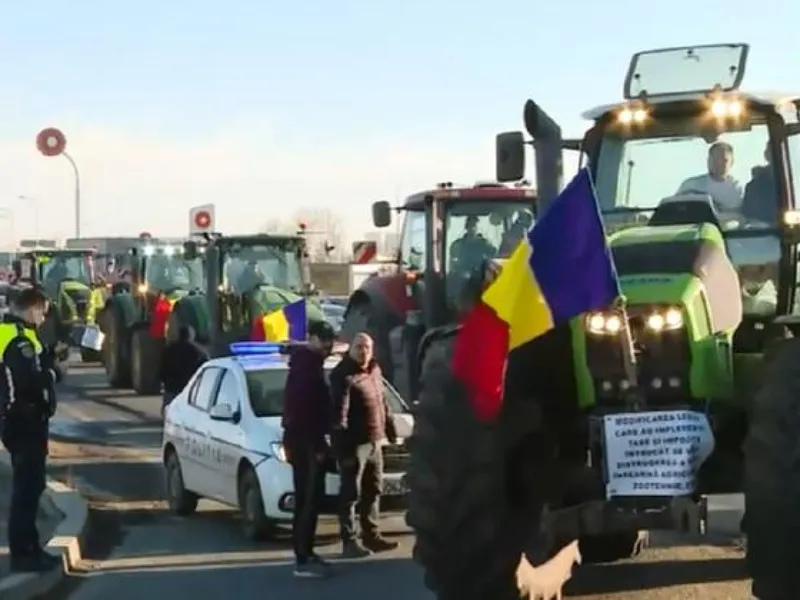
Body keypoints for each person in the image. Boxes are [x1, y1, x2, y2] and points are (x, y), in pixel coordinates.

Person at [0, 286, 62, 572]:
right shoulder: (18, 339)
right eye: (43, 313)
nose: (43, 319)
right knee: (27, 489)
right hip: (24, 422)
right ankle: (24, 555)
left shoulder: (14, 334)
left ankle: (31, 548)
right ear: (33, 308)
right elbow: (28, 381)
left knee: (32, 486)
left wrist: (48, 357)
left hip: (21, 422)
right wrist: (51, 373)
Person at [330, 332, 399, 558]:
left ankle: (372, 535)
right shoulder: (343, 375)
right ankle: (349, 541)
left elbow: (383, 402)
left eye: (367, 347)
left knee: (374, 488)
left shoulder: (374, 371)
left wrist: (390, 429)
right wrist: (342, 450)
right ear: (351, 349)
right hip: (353, 444)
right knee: (351, 492)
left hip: (374, 441)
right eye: (359, 347)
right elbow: (339, 416)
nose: (363, 351)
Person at [282, 320, 337, 578]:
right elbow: (304, 412)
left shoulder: (309, 365)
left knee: (311, 500)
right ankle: (302, 557)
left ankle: (306, 551)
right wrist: (317, 445)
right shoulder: (306, 368)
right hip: (306, 444)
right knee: (307, 499)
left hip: (305, 442)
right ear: (312, 339)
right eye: (324, 339)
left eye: (330, 340)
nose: (328, 345)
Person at [677, 141, 743, 215]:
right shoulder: (690, 185)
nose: (718, 163)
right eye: (714, 159)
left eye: (724, 160)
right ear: (708, 160)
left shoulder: (737, 189)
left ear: (732, 163)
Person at [158, 325, 208, 417]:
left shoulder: (169, 350)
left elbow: (163, 369)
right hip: (192, 389)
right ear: (192, 336)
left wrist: (164, 382)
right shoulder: (202, 352)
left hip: (173, 388)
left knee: (169, 414)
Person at [742, 142, 778, 224]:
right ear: (766, 155)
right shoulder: (754, 186)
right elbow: (750, 214)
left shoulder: (795, 181)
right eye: (772, 151)